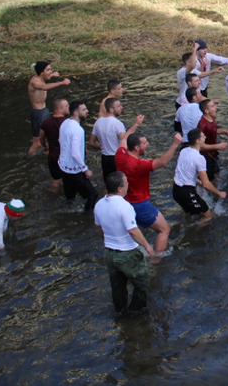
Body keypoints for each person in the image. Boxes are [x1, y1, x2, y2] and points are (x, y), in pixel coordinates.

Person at [94, 171, 154, 314]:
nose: (128, 185)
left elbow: (99, 228)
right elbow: (133, 230)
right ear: (120, 188)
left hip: (109, 253)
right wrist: (147, 246)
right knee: (142, 284)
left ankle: (120, 312)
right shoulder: (124, 206)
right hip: (127, 253)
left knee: (117, 287)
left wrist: (107, 240)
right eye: (126, 183)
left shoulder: (99, 204)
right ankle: (135, 314)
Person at [115, 131, 183, 255]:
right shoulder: (139, 165)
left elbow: (123, 139)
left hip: (124, 202)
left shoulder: (120, 155)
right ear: (137, 148)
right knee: (164, 229)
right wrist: (175, 144)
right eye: (145, 143)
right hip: (140, 204)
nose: (148, 144)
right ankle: (157, 261)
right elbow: (162, 162)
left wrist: (136, 124)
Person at [172, 128, 227, 224]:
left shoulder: (184, 150)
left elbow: (183, 171)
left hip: (175, 190)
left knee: (191, 212)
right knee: (208, 216)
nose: (205, 137)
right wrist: (219, 193)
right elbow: (206, 184)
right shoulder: (200, 158)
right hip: (187, 192)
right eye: (203, 136)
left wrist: (198, 181)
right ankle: (192, 235)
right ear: (197, 141)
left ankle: (186, 225)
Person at [59, 99, 99, 212]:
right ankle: (87, 217)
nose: (87, 111)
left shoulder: (65, 123)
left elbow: (61, 140)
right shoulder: (78, 129)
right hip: (74, 170)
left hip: (64, 167)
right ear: (76, 113)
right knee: (93, 194)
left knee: (70, 196)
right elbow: (75, 153)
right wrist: (85, 169)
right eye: (84, 109)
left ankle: (67, 213)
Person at [89, 98, 144, 180]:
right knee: (122, 184)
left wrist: (104, 147)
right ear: (111, 109)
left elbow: (92, 142)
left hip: (105, 159)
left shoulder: (98, 122)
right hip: (117, 158)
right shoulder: (117, 124)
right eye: (118, 106)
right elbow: (126, 140)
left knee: (109, 184)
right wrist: (136, 124)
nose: (121, 107)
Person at [27, 60, 71, 155]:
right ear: (41, 72)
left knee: (48, 134)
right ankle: (28, 159)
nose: (50, 71)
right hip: (38, 113)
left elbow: (45, 80)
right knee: (36, 143)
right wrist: (61, 83)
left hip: (44, 111)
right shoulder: (35, 82)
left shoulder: (41, 77)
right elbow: (44, 87)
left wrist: (53, 75)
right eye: (48, 70)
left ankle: (47, 150)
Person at [32, 98, 69, 193]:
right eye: (66, 106)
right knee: (70, 178)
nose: (69, 108)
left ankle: (53, 195)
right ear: (60, 109)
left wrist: (46, 147)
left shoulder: (46, 122)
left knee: (56, 180)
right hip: (65, 155)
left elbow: (41, 138)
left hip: (52, 155)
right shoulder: (67, 122)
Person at [196, 98, 228, 182]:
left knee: (216, 175)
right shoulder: (202, 124)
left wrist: (224, 132)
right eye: (212, 106)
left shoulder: (212, 118)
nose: (216, 107)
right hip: (206, 156)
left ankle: (215, 191)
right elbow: (200, 146)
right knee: (210, 179)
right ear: (206, 111)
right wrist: (218, 146)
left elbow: (213, 130)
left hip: (213, 153)